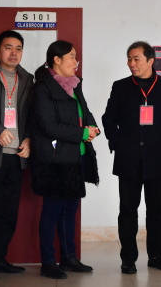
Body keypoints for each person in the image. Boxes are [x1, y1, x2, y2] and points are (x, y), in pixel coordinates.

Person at [102, 41, 161, 275]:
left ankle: (156, 256)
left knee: (156, 211)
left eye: (136, 59)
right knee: (128, 211)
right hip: (128, 159)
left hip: (157, 158)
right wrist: (117, 142)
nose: (131, 63)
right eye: (129, 59)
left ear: (150, 60)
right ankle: (128, 259)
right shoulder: (121, 87)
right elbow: (109, 118)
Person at [30, 40, 99, 280]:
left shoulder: (74, 84)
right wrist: (82, 133)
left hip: (76, 157)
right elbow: (48, 126)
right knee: (52, 211)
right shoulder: (43, 88)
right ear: (57, 60)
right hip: (55, 161)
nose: (76, 61)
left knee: (70, 210)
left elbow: (85, 111)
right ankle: (48, 262)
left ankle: (69, 257)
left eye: (76, 56)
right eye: (71, 57)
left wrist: (92, 127)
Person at [0, 30, 33, 281]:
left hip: (16, 157)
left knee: (8, 212)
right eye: (8, 47)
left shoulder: (28, 79)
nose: (14, 53)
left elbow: (32, 116)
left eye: (18, 48)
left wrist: (29, 139)